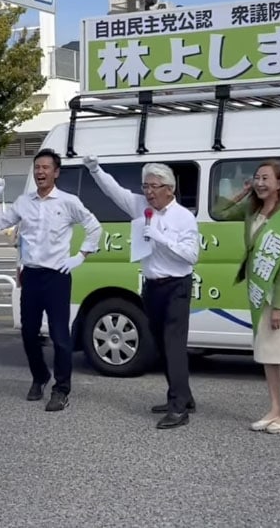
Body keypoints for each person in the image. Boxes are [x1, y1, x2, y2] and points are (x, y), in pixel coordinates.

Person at [83, 154, 201, 430]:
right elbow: (115, 192)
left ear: (169, 189)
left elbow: (191, 255)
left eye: (154, 187)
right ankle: (184, 397)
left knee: (173, 348)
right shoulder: (141, 207)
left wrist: (161, 238)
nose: (148, 192)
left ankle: (178, 408)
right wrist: (95, 170)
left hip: (176, 287)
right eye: (145, 186)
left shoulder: (183, 218)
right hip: (151, 286)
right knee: (160, 345)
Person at [0, 149, 102, 412]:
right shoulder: (24, 202)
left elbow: (94, 225)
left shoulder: (68, 201)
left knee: (61, 336)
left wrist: (81, 256)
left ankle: (61, 389)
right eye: (37, 167)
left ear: (56, 172)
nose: (40, 172)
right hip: (32, 275)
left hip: (58, 275)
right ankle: (39, 377)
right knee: (29, 334)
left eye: (46, 168)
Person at [216, 161, 280, 434]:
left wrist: (279, 305)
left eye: (266, 178)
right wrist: (243, 193)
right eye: (256, 178)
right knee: (267, 353)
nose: (260, 183)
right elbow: (220, 211)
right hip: (258, 292)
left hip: (279, 296)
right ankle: (275, 408)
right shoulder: (252, 210)